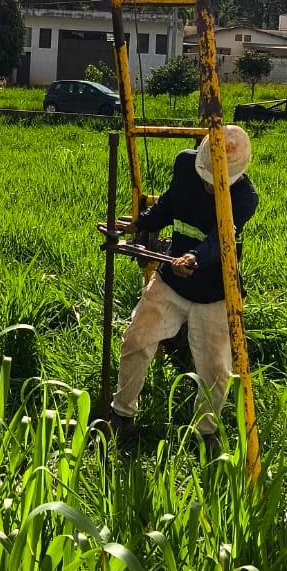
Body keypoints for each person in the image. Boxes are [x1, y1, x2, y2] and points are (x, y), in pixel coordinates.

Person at [108, 124, 258, 456]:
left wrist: (195, 257)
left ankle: (205, 432)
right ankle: (121, 415)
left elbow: (222, 239)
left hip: (216, 291)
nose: (207, 184)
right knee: (136, 339)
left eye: (214, 180)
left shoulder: (245, 197)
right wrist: (139, 223)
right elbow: (169, 204)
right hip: (171, 281)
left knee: (217, 370)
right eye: (204, 175)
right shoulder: (184, 165)